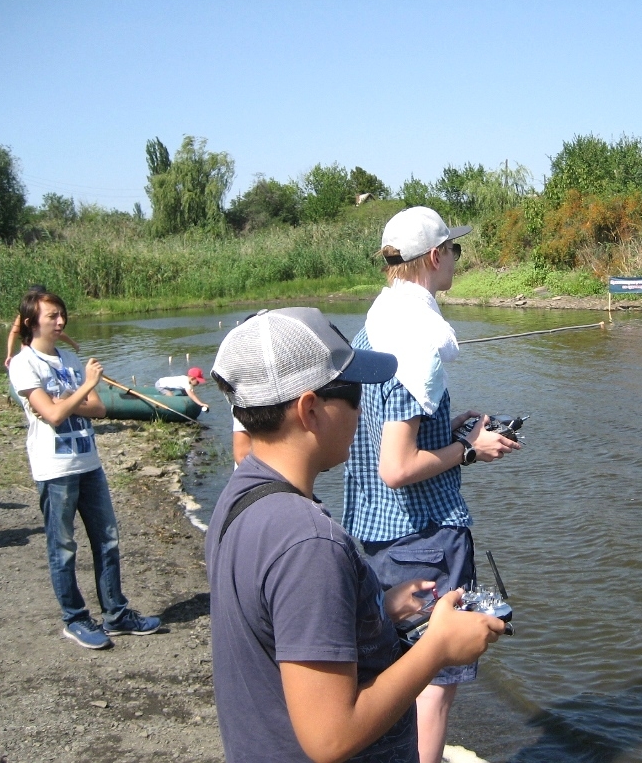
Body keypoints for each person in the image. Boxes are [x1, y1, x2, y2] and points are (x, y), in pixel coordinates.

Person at [205, 306, 505, 763]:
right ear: (310, 410)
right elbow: (331, 738)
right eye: (352, 394)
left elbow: (277, 626)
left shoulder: (239, 499)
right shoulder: (308, 542)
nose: (362, 407)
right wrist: (439, 648)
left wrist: (374, 610)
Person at [342, 206, 521, 763]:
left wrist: (449, 426)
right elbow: (396, 466)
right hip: (421, 537)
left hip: (375, 535)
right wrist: (470, 449)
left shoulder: (377, 318)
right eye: (455, 251)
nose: (457, 262)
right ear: (435, 256)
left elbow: (384, 427)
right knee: (434, 682)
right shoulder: (417, 337)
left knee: (392, 670)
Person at [7, 288, 160, 650]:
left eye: (62, 315)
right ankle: (75, 619)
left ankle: (116, 614)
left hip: (89, 464)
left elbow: (98, 410)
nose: (60, 322)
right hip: (54, 469)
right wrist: (84, 390)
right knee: (63, 546)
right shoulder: (23, 364)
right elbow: (53, 414)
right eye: (52, 317)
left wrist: (70, 398)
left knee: (107, 539)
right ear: (32, 322)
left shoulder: (69, 361)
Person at [5, 285, 80, 368]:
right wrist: (9, 354)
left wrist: (10, 355)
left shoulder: (26, 315)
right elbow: (14, 332)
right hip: (29, 348)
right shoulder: (23, 317)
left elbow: (13, 333)